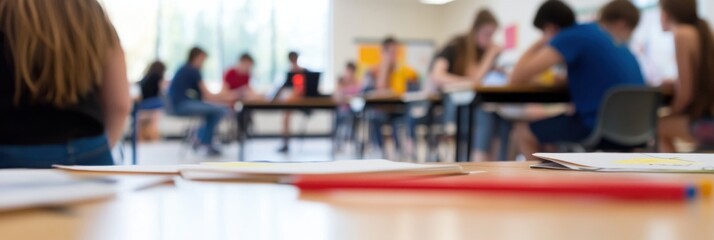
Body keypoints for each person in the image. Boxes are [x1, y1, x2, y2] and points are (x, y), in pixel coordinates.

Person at [0, 0, 130, 168]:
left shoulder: (4, 10)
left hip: (9, 155)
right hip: (88, 151)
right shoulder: (91, 12)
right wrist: (98, 149)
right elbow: (120, 104)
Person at [510, 0, 645, 160]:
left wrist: (543, 40)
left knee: (523, 132)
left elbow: (516, 76)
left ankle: (546, 185)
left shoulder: (572, 36)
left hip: (598, 127)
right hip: (638, 128)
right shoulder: (611, 40)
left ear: (550, 27)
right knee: (551, 134)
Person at [427, 9, 509, 162]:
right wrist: (467, 81)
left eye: (492, 35)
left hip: (477, 103)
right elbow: (437, 75)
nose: (489, 39)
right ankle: (478, 162)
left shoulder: (483, 52)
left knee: (504, 120)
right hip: (455, 105)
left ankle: (498, 167)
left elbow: (480, 80)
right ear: (475, 29)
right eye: (486, 34)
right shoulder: (456, 45)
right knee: (484, 117)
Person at [657, 0, 714, 152]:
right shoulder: (700, 31)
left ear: (667, 13)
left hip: (706, 125)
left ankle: (676, 173)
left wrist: (670, 113)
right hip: (708, 118)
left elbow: (686, 95)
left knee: (657, 126)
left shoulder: (681, 34)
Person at [168, 47, 232, 156]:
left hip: (178, 103)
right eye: (203, 59)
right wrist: (226, 98)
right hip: (181, 105)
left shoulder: (184, 68)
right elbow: (208, 96)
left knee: (215, 110)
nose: (203, 63)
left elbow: (202, 95)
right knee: (220, 110)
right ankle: (203, 140)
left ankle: (199, 136)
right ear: (196, 57)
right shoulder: (193, 70)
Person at [368, 37, 420, 156]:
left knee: (408, 115)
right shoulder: (375, 70)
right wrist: (385, 66)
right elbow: (380, 87)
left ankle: (405, 147)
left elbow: (415, 80)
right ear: (384, 52)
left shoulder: (402, 69)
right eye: (391, 51)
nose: (395, 55)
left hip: (399, 107)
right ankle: (379, 149)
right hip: (381, 109)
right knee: (375, 117)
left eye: (396, 51)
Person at [277, 51, 311, 153]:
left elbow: (307, 88)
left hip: (305, 101)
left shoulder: (304, 72)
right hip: (291, 102)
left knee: (286, 115)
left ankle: (285, 143)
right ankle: (286, 143)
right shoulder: (289, 74)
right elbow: (285, 89)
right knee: (286, 116)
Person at [333, 62, 362, 151]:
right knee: (341, 116)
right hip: (342, 109)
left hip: (353, 110)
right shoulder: (341, 81)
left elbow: (360, 96)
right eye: (347, 71)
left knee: (355, 116)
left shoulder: (357, 82)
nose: (349, 73)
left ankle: (351, 139)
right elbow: (336, 97)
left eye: (351, 71)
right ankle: (339, 142)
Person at [137, 61, 167, 142]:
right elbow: (163, 91)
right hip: (152, 102)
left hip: (142, 103)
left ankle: (149, 135)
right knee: (163, 104)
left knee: (155, 113)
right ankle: (153, 135)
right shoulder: (157, 76)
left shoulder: (146, 77)